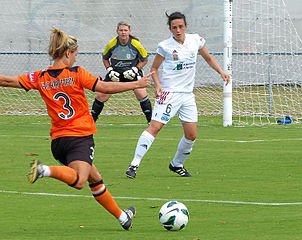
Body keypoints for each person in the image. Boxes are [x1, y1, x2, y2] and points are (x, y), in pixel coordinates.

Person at [0, 27, 152, 230]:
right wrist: (136, 83)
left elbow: (6, 81)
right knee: (80, 180)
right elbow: (104, 87)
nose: (74, 59)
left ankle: (123, 218)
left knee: (95, 179)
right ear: (67, 53)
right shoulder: (76, 73)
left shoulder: (40, 76)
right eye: (75, 55)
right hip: (79, 138)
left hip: (58, 142)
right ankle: (44, 170)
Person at [125, 12, 230, 179]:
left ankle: (176, 164)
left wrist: (221, 72)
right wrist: (157, 85)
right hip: (169, 93)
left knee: (191, 135)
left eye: (181, 26)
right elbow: (154, 68)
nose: (178, 30)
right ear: (170, 29)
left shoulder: (196, 40)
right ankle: (134, 164)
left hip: (187, 96)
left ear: (186, 26)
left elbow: (209, 58)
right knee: (155, 127)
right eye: (174, 27)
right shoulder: (165, 46)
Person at [91, 21, 152, 123]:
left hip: (132, 73)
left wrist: (135, 69)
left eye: (125, 30)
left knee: (141, 94)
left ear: (129, 31)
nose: (123, 32)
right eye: (121, 30)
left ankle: (150, 121)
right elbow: (105, 58)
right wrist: (110, 70)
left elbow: (145, 60)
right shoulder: (111, 44)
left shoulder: (136, 44)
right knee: (101, 95)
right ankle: (91, 121)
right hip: (116, 74)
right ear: (117, 31)